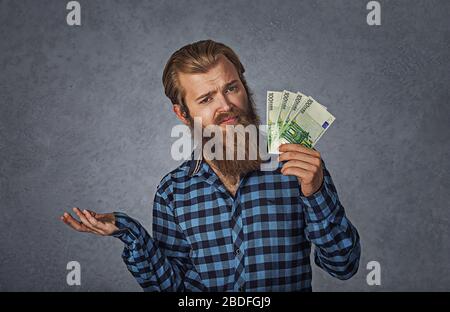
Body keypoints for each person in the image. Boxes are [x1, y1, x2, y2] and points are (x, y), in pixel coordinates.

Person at [61, 39, 360, 292]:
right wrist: (128, 231)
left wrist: (316, 192)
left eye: (231, 88)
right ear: (182, 113)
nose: (226, 106)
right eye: (206, 98)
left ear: (244, 86)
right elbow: (173, 288)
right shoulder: (172, 191)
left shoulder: (298, 167)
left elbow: (344, 266)